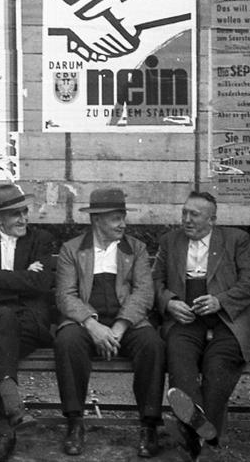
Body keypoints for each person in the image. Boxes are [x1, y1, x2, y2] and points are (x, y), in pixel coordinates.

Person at [53, 187, 165, 458]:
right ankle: (75, 423)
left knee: (152, 345)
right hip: (85, 322)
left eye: (123, 217)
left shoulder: (135, 248)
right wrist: (92, 325)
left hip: (126, 322)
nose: (122, 224)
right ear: (96, 220)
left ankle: (149, 425)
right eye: (116, 218)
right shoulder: (72, 249)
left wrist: (118, 327)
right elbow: (65, 295)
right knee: (67, 342)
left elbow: (143, 292)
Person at [153, 191, 250, 460]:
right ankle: (208, 441)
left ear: (212, 219)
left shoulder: (236, 240)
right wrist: (169, 303)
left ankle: (194, 435)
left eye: (194, 215)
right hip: (185, 319)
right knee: (180, 360)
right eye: (184, 213)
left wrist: (220, 301)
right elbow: (153, 282)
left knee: (218, 368)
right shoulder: (170, 241)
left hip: (227, 321)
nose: (186, 220)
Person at [0, 184, 57, 462]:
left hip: (27, 321)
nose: (23, 218)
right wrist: (20, 278)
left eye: (24, 211)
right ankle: (12, 408)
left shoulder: (40, 240)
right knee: (1, 323)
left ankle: (4, 431)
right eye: (14, 214)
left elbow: (41, 284)